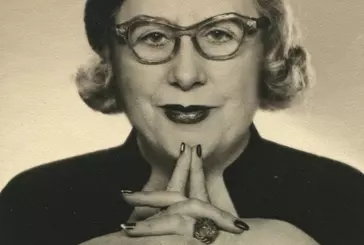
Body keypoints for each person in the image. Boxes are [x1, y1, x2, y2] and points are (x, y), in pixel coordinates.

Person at [0, 0, 363, 244]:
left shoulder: (347, 199)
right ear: (110, 58)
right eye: (153, 36)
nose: (186, 75)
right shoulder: (31, 202)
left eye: (221, 33)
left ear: (268, 52)